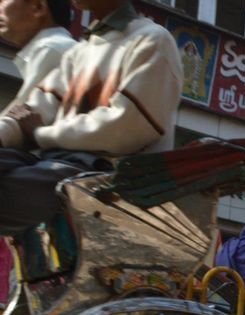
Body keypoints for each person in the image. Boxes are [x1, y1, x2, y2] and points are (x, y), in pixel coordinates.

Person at [0, 0, 182, 236]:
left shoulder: (152, 39)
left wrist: (40, 134)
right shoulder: (79, 51)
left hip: (106, 179)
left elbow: (125, 128)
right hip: (58, 166)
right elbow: (32, 109)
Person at [0, 0, 75, 115]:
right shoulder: (56, 48)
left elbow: (18, 119)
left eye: (3, 1)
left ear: (38, 8)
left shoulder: (51, 49)